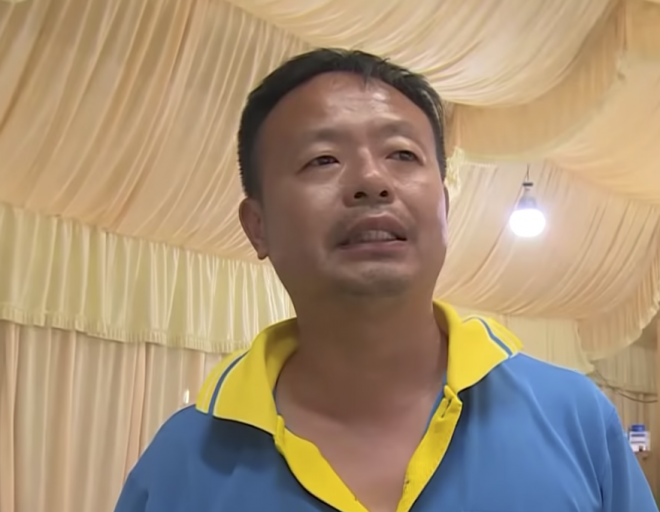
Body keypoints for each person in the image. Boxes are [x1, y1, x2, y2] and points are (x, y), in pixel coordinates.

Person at [114, 49, 658, 512]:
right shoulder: (180, 465)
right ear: (258, 226)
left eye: (402, 154)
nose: (372, 180)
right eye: (322, 159)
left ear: (443, 207)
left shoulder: (573, 418)